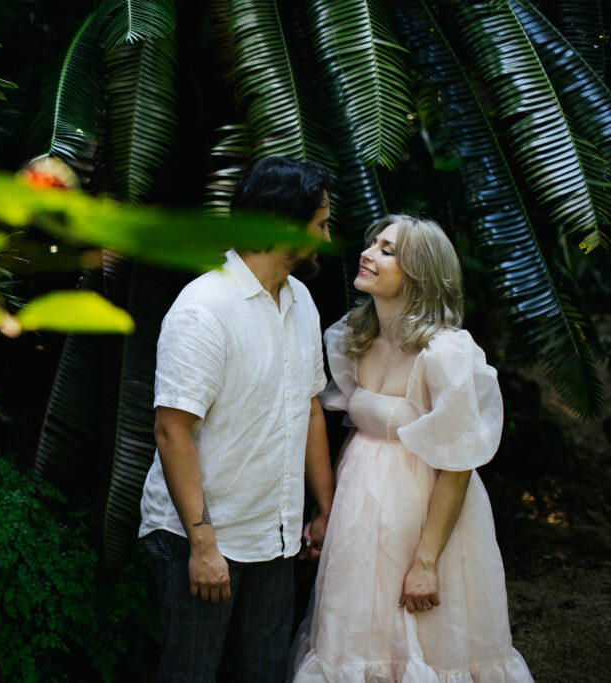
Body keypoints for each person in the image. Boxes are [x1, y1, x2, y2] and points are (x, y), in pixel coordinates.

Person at [289, 215, 533, 681]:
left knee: (428, 640)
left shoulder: (447, 353)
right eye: (371, 244)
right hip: (359, 510)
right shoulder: (352, 339)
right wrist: (328, 512)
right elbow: (361, 432)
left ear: (419, 272)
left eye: (386, 249)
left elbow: (458, 463)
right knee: (355, 635)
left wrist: (426, 562)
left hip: (423, 514)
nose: (367, 253)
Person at [138, 155, 337, 682]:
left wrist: (323, 508)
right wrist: (203, 545)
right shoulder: (205, 307)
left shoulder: (301, 300)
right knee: (192, 674)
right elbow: (170, 428)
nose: (326, 235)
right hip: (201, 538)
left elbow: (310, 407)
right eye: (319, 224)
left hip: (275, 537)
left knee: (266, 674)